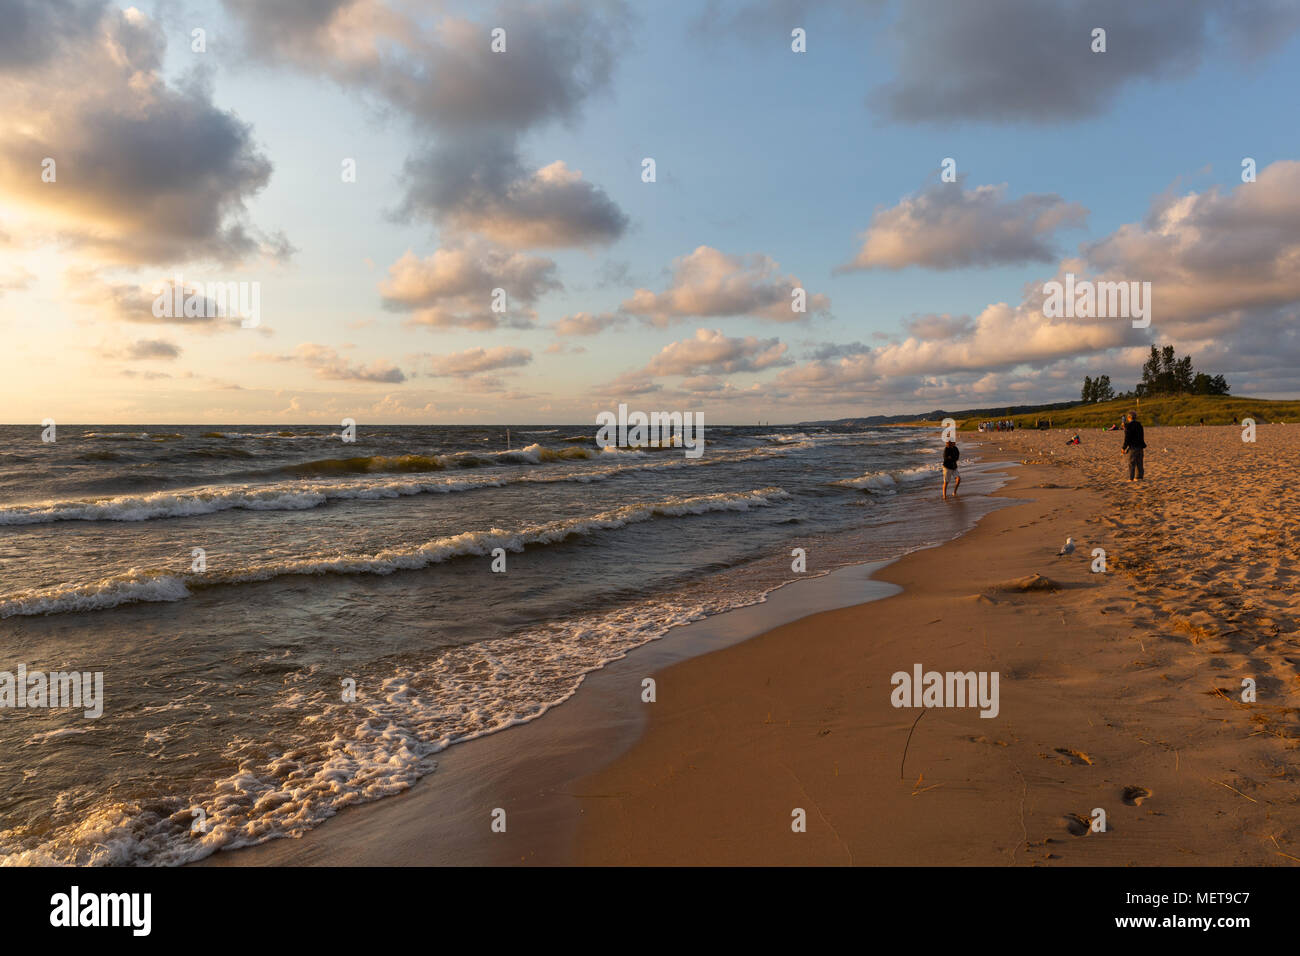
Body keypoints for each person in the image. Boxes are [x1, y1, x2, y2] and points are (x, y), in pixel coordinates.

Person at [1121, 411, 1146, 480]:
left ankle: (1131, 478)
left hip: (1133, 447)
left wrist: (1124, 447)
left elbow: (1127, 438)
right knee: (1139, 463)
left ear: (1129, 417)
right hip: (1140, 446)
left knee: (1131, 463)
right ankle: (1139, 477)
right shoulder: (1139, 425)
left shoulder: (1128, 426)